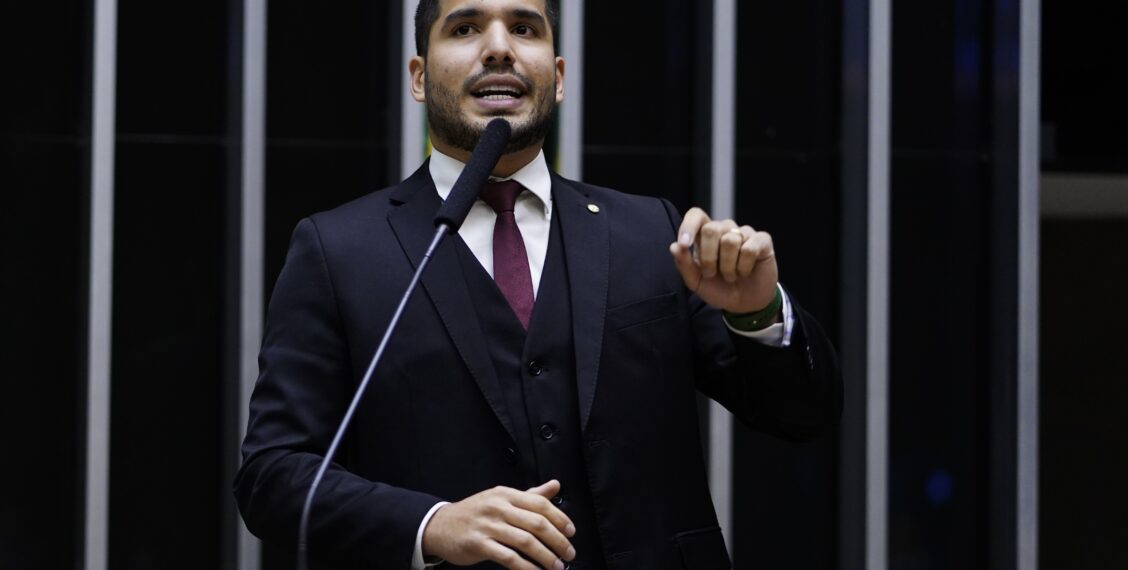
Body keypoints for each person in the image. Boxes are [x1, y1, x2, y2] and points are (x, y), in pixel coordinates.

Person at [234, 0, 841, 568]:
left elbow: (803, 416)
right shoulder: (337, 250)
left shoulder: (651, 234)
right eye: (465, 28)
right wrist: (430, 523)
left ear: (558, 76)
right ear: (418, 77)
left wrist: (757, 313)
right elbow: (272, 476)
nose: (499, 47)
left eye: (524, 28)